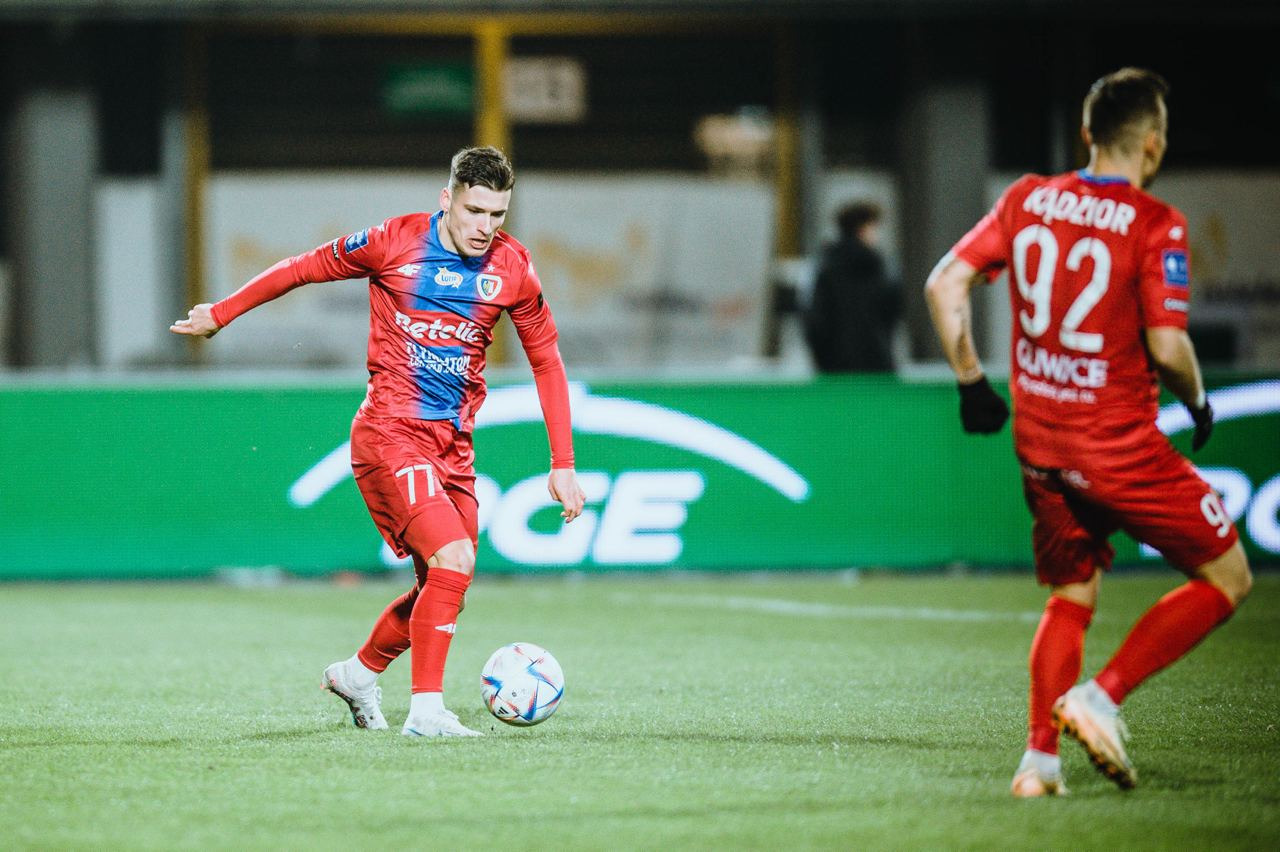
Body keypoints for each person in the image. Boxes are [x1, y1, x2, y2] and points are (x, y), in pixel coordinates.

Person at [172, 146, 586, 738]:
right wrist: (223, 312)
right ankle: (427, 712)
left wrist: (562, 463)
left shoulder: (513, 268)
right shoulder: (394, 242)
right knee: (454, 559)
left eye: (497, 215)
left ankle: (358, 674)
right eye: (474, 211)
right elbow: (302, 267)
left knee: (445, 585)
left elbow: (546, 360)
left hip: (453, 447)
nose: (484, 227)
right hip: (389, 435)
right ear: (447, 199)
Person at [924, 68, 1252, 796]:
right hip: (1116, 447)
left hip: (1041, 443)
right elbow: (1168, 346)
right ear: (1154, 144)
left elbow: (944, 283)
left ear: (1085, 134)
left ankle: (1039, 765)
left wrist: (972, 382)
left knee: (1071, 595)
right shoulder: (1154, 223)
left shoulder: (1026, 198)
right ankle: (1100, 697)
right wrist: (1199, 402)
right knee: (1229, 577)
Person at [804, 201, 901, 372]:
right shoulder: (879, 269)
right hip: (876, 364)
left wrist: (823, 360)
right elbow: (892, 313)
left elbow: (815, 321)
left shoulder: (826, 268)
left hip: (835, 368)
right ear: (862, 229)